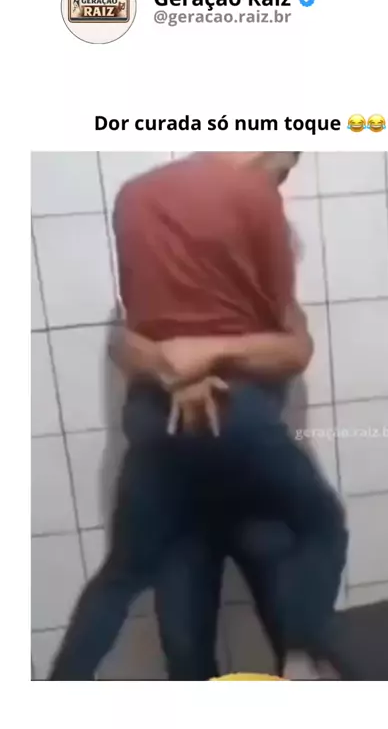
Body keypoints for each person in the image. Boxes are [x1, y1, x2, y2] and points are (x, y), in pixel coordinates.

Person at [50, 152, 347, 680]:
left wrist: (179, 369)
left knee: (144, 584)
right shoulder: (254, 197)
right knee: (317, 530)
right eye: (284, 171)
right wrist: (220, 352)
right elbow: (291, 347)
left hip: (160, 428)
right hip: (239, 425)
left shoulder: (136, 196)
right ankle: (303, 657)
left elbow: (129, 338)